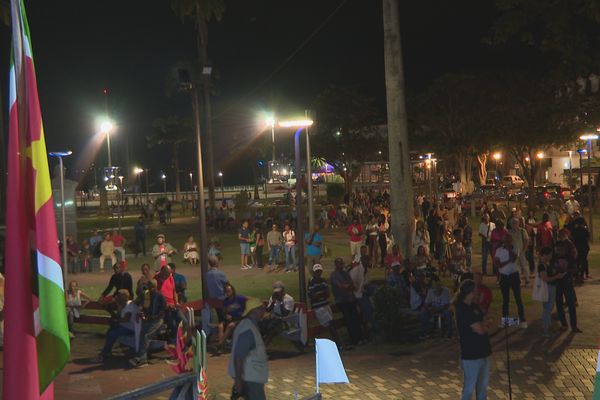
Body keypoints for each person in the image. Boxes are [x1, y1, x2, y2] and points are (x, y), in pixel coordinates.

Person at [454, 279, 492, 400]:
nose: (478, 292)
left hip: (484, 351)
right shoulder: (462, 309)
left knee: (483, 387)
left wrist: (483, 324)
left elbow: (484, 320)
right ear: (470, 292)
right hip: (471, 355)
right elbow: (480, 329)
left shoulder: (473, 305)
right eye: (476, 290)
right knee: (469, 387)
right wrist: (484, 325)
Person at [228, 306, 268, 400]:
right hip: (250, 378)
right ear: (254, 311)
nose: (264, 312)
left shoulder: (248, 326)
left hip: (249, 375)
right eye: (262, 309)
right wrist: (238, 380)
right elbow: (239, 356)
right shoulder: (248, 329)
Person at [129, 281, 166, 368]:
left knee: (146, 336)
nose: (151, 288)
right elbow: (137, 302)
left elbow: (163, 310)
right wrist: (141, 310)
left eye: (153, 287)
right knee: (142, 335)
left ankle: (141, 358)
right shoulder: (145, 295)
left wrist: (153, 317)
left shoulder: (160, 296)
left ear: (156, 286)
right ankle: (141, 357)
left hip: (157, 320)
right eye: (149, 286)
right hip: (147, 319)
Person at [95, 289, 138, 362]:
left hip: (131, 328)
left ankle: (104, 353)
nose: (117, 297)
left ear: (124, 297)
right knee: (110, 331)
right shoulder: (122, 305)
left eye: (119, 296)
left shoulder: (130, 305)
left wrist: (116, 321)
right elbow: (118, 316)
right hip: (124, 327)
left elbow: (126, 319)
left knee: (113, 333)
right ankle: (107, 351)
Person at [494, 235, 527, 328]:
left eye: (509, 241)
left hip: (514, 276)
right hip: (504, 277)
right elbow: (498, 264)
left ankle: (523, 320)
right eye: (506, 241)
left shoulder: (515, 248)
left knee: (518, 298)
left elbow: (513, 259)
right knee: (505, 300)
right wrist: (507, 261)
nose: (507, 243)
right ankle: (505, 321)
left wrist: (509, 250)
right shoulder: (499, 250)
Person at [330, 257, 363, 345]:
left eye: (342, 263)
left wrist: (348, 287)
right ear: (336, 265)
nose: (341, 265)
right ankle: (354, 339)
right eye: (339, 264)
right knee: (349, 319)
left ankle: (360, 337)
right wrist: (347, 287)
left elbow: (352, 285)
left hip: (350, 299)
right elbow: (340, 286)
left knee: (356, 318)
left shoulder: (345, 274)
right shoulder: (334, 275)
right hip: (341, 300)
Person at [307, 264, 341, 346]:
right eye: (316, 271)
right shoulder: (311, 282)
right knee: (330, 324)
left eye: (319, 271)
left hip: (325, 305)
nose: (318, 273)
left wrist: (320, 295)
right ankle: (338, 343)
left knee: (331, 323)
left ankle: (337, 343)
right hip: (319, 307)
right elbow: (313, 296)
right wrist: (321, 295)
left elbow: (327, 294)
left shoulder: (323, 280)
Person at [553, 239, 582, 333]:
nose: (559, 252)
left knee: (571, 305)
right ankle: (564, 324)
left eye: (561, 250)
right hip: (557, 284)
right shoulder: (553, 257)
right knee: (559, 305)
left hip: (568, 283)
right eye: (557, 250)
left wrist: (566, 270)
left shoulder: (569, 257)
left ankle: (574, 326)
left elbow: (575, 270)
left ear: (565, 249)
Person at [537, 246, 564, 337]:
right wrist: (557, 277)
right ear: (545, 255)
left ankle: (547, 328)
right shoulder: (542, 266)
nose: (551, 257)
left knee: (548, 309)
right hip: (548, 289)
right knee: (547, 309)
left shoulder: (544, 264)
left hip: (550, 288)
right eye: (550, 255)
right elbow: (545, 278)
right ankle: (545, 329)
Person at [218, 284, 248, 353]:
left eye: (229, 291)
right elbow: (224, 312)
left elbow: (248, 299)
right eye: (226, 291)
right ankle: (221, 346)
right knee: (220, 326)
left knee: (230, 326)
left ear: (232, 291)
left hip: (239, 319)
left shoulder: (239, 298)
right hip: (229, 319)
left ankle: (220, 344)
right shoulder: (225, 301)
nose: (228, 293)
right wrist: (226, 315)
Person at [155, 265, 181, 343]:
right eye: (167, 274)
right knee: (172, 323)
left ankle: (181, 339)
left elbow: (174, 292)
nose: (169, 275)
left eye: (170, 273)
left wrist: (176, 302)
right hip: (164, 308)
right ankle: (173, 341)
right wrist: (165, 305)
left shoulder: (170, 278)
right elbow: (156, 298)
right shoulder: (156, 280)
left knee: (183, 321)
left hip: (173, 305)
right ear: (162, 272)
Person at [509, 217, 530, 286]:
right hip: (514, 252)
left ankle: (527, 279)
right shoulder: (510, 232)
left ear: (518, 223)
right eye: (513, 223)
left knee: (524, 266)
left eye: (516, 223)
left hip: (521, 251)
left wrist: (525, 249)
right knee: (516, 266)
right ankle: (519, 280)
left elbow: (527, 240)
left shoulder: (522, 231)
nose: (514, 224)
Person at [571, 217, 591, 281]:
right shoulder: (585, 230)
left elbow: (573, 238)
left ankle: (577, 275)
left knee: (577, 261)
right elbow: (588, 238)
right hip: (584, 247)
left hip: (577, 247)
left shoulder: (575, 230)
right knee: (583, 261)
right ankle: (582, 275)